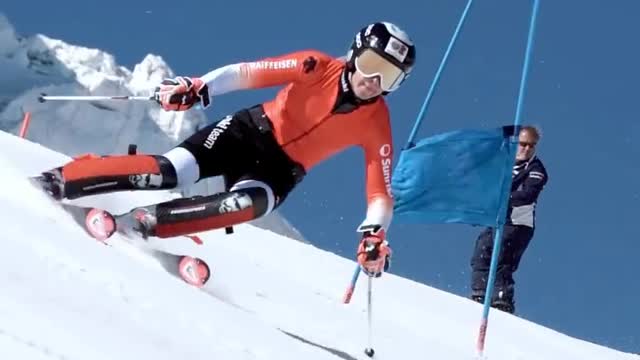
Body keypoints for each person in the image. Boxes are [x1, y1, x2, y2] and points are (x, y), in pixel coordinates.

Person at [34, 22, 416, 280]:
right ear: (353, 54)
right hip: (249, 130)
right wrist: (201, 86)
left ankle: (145, 222)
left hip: (282, 169)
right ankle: (61, 179)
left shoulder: (376, 121)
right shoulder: (315, 65)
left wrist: (374, 234)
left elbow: (379, 191)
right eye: (370, 64)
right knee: (171, 171)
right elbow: (248, 72)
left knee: (246, 206)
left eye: (390, 76)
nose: (372, 80)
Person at [469, 125, 548, 314]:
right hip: (498, 221)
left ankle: (501, 298)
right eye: (523, 144)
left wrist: (502, 198)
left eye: (531, 145)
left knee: (502, 258)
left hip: (518, 223)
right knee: (482, 250)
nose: (526, 149)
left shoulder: (536, 170)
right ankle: (479, 292)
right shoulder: (505, 164)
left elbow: (527, 195)